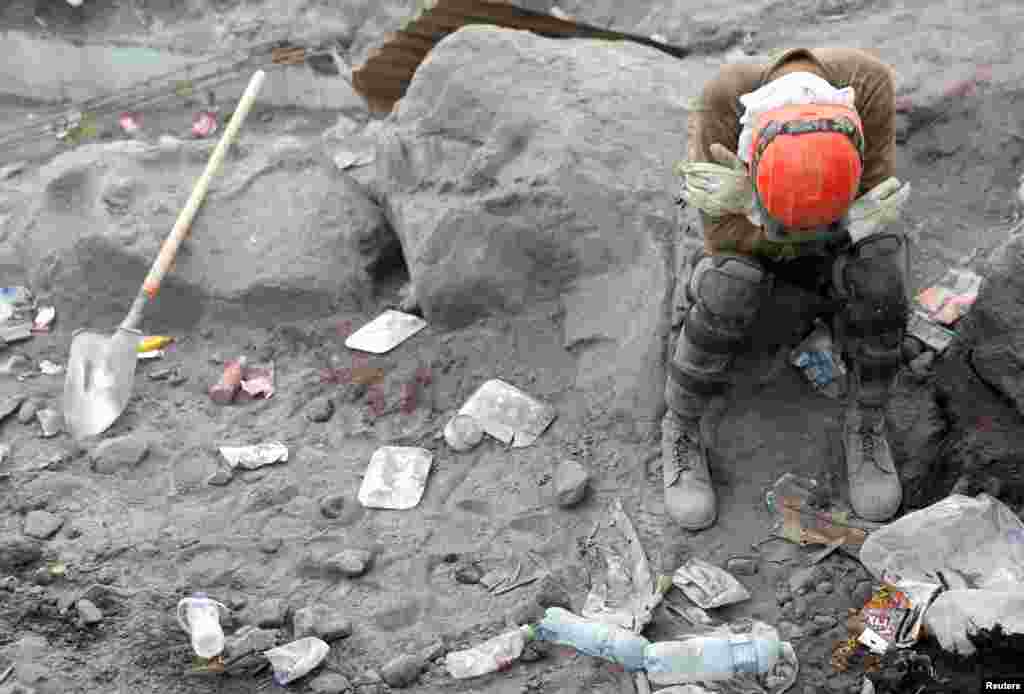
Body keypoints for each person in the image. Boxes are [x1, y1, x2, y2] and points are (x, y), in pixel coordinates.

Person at [668, 47, 911, 529]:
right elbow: (722, 236)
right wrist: (760, 214)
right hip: (753, 249)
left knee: (881, 272)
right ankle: (680, 426)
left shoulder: (871, 86)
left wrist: (831, 227)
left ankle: (866, 419)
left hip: (826, 238)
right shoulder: (725, 98)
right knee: (728, 284)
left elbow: (875, 200)